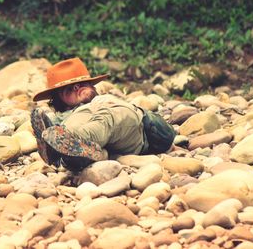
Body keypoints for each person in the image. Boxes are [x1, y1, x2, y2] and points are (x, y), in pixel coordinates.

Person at [31, 57, 175, 171]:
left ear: (92, 84)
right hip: (102, 140)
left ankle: (69, 147)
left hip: (140, 132)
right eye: (68, 89)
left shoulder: (105, 100)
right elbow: (63, 127)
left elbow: (113, 115)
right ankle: (74, 155)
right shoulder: (69, 116)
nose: (76, 88)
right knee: (69, 126)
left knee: (106, 116)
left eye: (81, 84)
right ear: (59, 99)